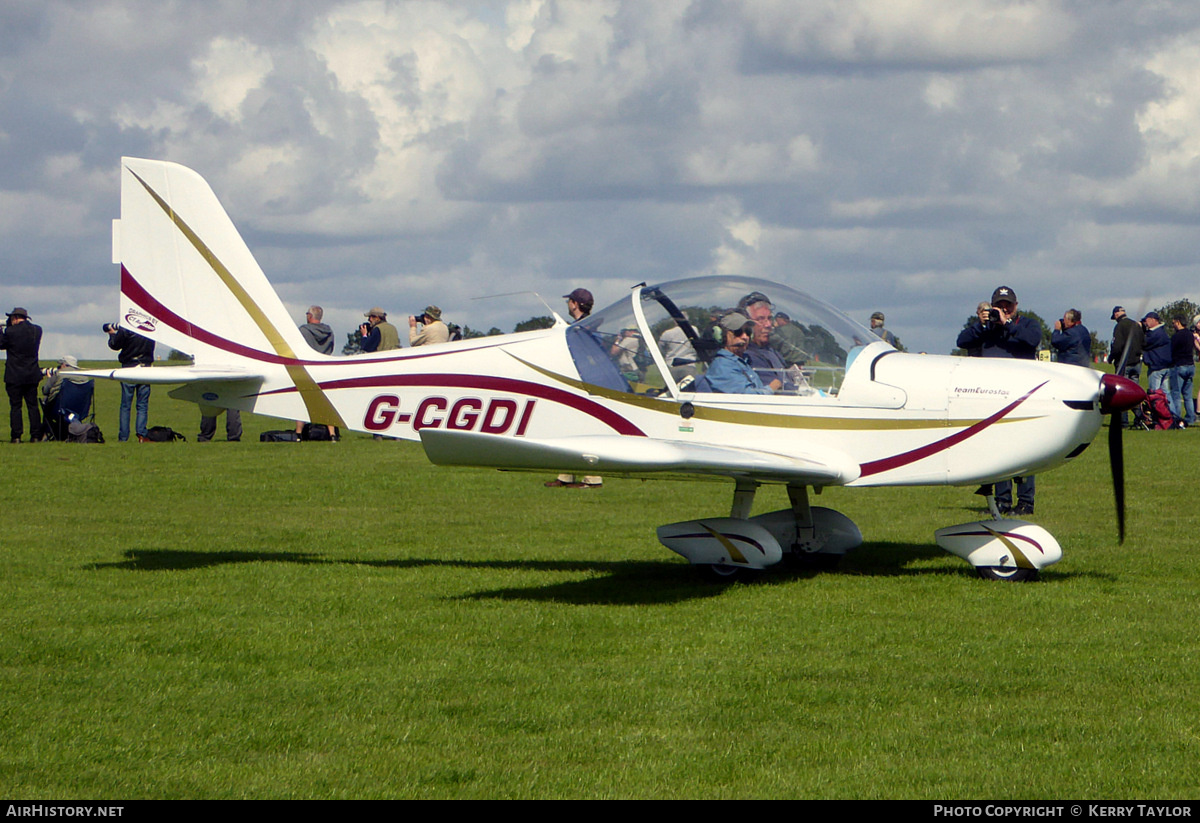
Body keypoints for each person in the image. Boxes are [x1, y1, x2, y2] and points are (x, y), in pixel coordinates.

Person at [955, 286, 1039, 516]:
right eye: (999, 306)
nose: (1004, 309)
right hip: (994, 397)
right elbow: (962, 340)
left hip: (1022, 396)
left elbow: (1033, 340)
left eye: (1007, 305)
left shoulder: (1026, 324)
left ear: (1016, 306)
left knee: (1024, 450)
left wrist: (1008, 324)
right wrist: (982, 324)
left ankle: (1025, 502)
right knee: (999, 449)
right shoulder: (986, 328)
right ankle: (1002, 501)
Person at [547, 288, 602, 489]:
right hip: (577, 383)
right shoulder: (588, 326)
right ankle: (566, 476)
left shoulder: (586, 329)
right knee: (568, 429)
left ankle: (593, 479)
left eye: (569, 302)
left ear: (575, 304)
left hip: (587, 383)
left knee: (587, 430)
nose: (568, 305)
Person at [705, 311, 780, 394]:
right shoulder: (722, 365)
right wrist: (771, 388)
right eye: (738, 332)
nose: (745, 337)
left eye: (748, 332)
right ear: (723, 336)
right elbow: (745, 399)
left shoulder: (743, 361)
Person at [739, 291, 797, 391]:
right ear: (746, 323)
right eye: (760, 319)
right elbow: (777, 389)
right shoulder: (748, 356)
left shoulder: (770, 351)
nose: (768, 325)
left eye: (769, 318)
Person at [106, 323, 155, 442]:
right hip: (145, 367)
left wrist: (112, 334)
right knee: (142, 405)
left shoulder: (127, 327)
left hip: (128, 368)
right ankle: (142, 434)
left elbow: (115, 345)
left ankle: (123, 437)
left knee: (126, 405)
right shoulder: (151, 327)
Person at [1, 307, 43, 443]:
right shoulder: (37, 330)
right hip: (32, 374)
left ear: (14, 318)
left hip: (14, 375)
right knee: (33, 406)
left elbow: (1, 344)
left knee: (16, 407)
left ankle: (16, 436)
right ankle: (36, 435)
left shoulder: (10, 331)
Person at [296, 305, 337, 440]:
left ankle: (298, 433)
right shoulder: (329, 331)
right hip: (325, 370)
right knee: (327, 403)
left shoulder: (303, 331)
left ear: (310, 316)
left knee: (303, 401)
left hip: (308, 369)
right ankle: (332, 434)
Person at [1108, 306, 1144, 428]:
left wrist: (1111, 357)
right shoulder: (1135, 325)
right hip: (1137, 362)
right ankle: (1140, 418)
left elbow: (1117, 346)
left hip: (1124, 363)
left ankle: (1123, 422)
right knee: (1135, 393)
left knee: (1122, 393)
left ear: (1117, 314)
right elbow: (1144, 342)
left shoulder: (1120, 326)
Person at [1168, 316, 1195, 429]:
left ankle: (1177, 417)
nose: (1173, 325)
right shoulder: (1190, 334)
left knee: (1176, 394)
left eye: (1174, 323)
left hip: (1179, 365)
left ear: (1178, 322)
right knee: (1188, 395)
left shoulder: (1176, 336)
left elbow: (1171, 351)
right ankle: (1190, 417)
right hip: (1190, 365)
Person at [1141, 311, 1171, 399]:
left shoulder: (1156, 333)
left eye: (1146, 321)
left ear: (1153, 320)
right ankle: (1171, 412)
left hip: (1156, 367)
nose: (1145, 323)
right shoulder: (1162, 332)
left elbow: (1145, 343)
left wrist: (1140, 331)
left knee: (1155, 394)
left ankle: (1159, 411)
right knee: (1166, 393)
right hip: (1165, 366)